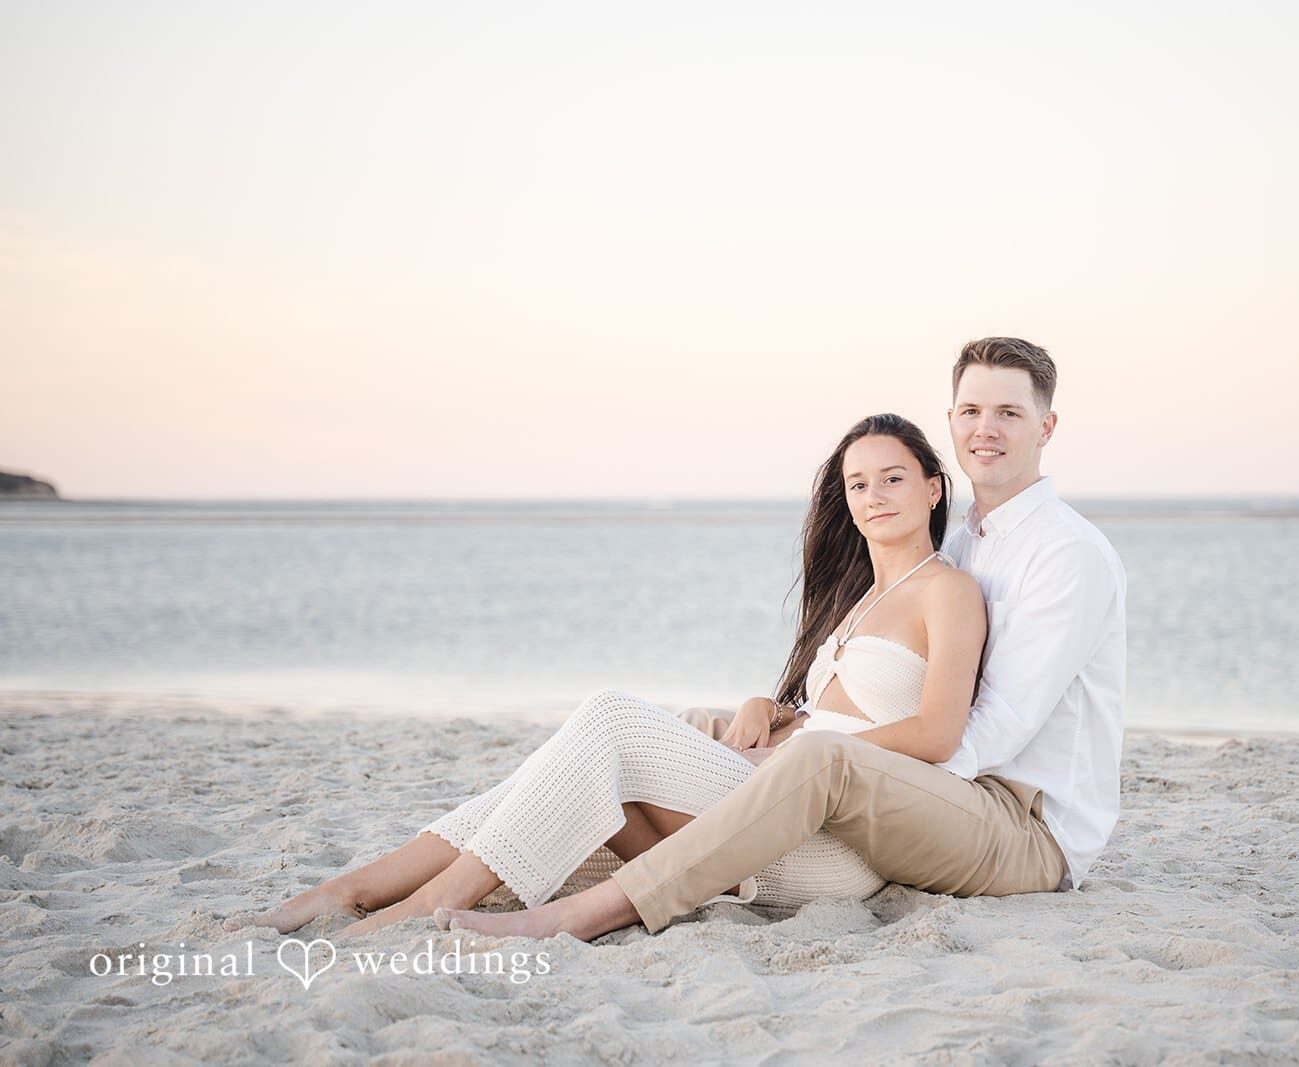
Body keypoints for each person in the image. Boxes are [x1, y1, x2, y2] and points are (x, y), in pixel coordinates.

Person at [430, 336, 1127, 942]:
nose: (987, 427)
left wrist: (804, 763)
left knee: (809, 759)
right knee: (681, 728)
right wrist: (787, 723)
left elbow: (984, 732)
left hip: (1023, 826)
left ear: (1047, 424)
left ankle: (586, 914)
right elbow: (900, 678)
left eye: (1009, 411)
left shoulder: (1065, 554)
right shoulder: (969, 532)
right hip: (949, 794)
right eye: (971, 410)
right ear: (950, 421)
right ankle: (424, 874)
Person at [225, 412, 987, 938]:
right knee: (567, 787)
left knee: (611, 717)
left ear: (932, 487)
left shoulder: (946, 590)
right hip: (772, 806)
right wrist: (772, 708)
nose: (873, 497)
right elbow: (839, 712)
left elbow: (936, 731)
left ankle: (422, 902)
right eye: (858, 484)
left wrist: (796, 753)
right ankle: (352, 889)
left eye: (892, 479)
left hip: (831, 846)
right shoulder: (858, 599)